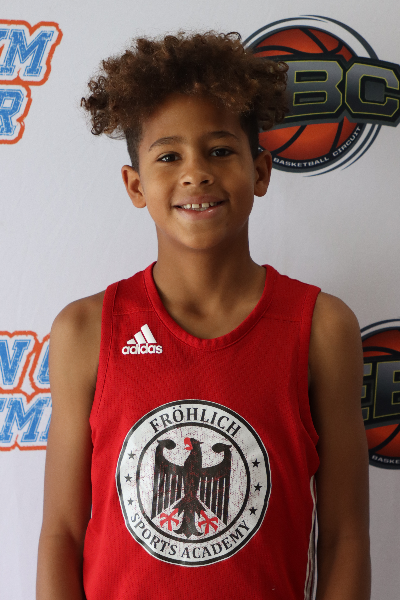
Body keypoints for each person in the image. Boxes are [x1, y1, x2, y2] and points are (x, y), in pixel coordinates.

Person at [36, 31, 370, 600]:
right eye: (169, 156)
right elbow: (62, 534)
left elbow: (345, 536)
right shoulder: (86, 330)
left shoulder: (321, 328)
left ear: (260, 171)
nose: (196, 173)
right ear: (136, 185)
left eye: (220, 150)